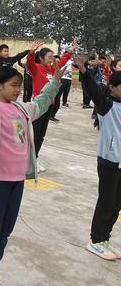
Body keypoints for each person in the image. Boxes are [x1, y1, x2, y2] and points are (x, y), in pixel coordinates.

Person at [0, 45, 63, 286]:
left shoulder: (22, 109)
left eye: (20, 86)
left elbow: (42, 101)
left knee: (5, 232)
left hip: (17, 181)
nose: (18, 91)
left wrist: (56, 81)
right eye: (13, 86)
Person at [75, 57, 121, 261]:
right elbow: (93, 89)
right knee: (106, 202)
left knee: (117, 204)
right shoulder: (106, 105)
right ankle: (95, 240)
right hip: (109, 161)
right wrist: (84, 71)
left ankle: (105, 239)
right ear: (112, 88)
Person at [26, 39, 75, 172]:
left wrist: (71, 50)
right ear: (41, 58)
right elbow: (29, 63)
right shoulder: (36, 68)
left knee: (41, 135)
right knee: (34, 134)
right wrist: (31, 52)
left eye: (53, 57)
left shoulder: (53, 69)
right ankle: (29, 161)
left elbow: (63, 60)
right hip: (38, 106)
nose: (52, 59)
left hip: (49, 106)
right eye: (49, 57)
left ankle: (34, 159)